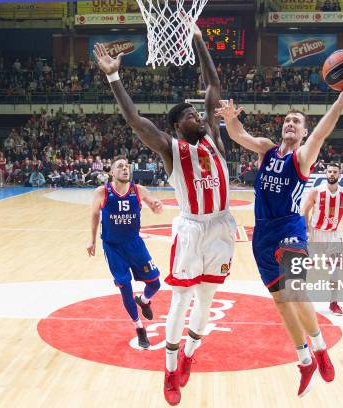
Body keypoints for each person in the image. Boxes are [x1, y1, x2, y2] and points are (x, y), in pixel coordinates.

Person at [94, 21, 236, 406]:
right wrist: (115, 79)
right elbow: (136, 123)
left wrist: (200, 41)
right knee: (181, 300)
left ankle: (189, 356)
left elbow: (214, 86)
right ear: (177, 126)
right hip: (192, 229)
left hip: (221, 227)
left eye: (198, 113)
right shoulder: (172, 149)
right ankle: (170, 368)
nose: (199, 117)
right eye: (190, 115)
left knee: (206, 301)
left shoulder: (214, 139)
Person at [216, 70, 343, 397]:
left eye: (297, 122)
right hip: (262, 236)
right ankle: (304, 359)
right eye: (287, 120)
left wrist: (342, 98)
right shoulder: (267, 149)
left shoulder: (303, 157)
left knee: (295, 291)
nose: (290, 124)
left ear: (303, 132)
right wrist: (229, 118)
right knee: (282, 302)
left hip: (291, 231)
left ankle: (321, 348)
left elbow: (323, 133)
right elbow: (240, 135)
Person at [87, 157, 163, 349]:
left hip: (135, 244)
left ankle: (144, 300)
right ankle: (139, 327)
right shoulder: (102, 192)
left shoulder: (138, 190)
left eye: (126, 166)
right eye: (120, 166)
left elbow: (154, 205)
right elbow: (95, 214)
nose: (124, 168)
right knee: (125, 286)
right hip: (113, 247)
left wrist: (156, 206)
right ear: (112, 172)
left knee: (155, 283)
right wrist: (92, 240)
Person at [301, 163, 343, 316]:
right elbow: (304, 210)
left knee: (335, 270)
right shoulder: (316, 191)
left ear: (339, 175)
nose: (332, 174)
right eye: (330, 171)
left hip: (333, 234)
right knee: (308, 267)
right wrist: (305, 230)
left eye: (335, 172)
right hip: (315, 233)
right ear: (325, 173)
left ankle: (333, 302)